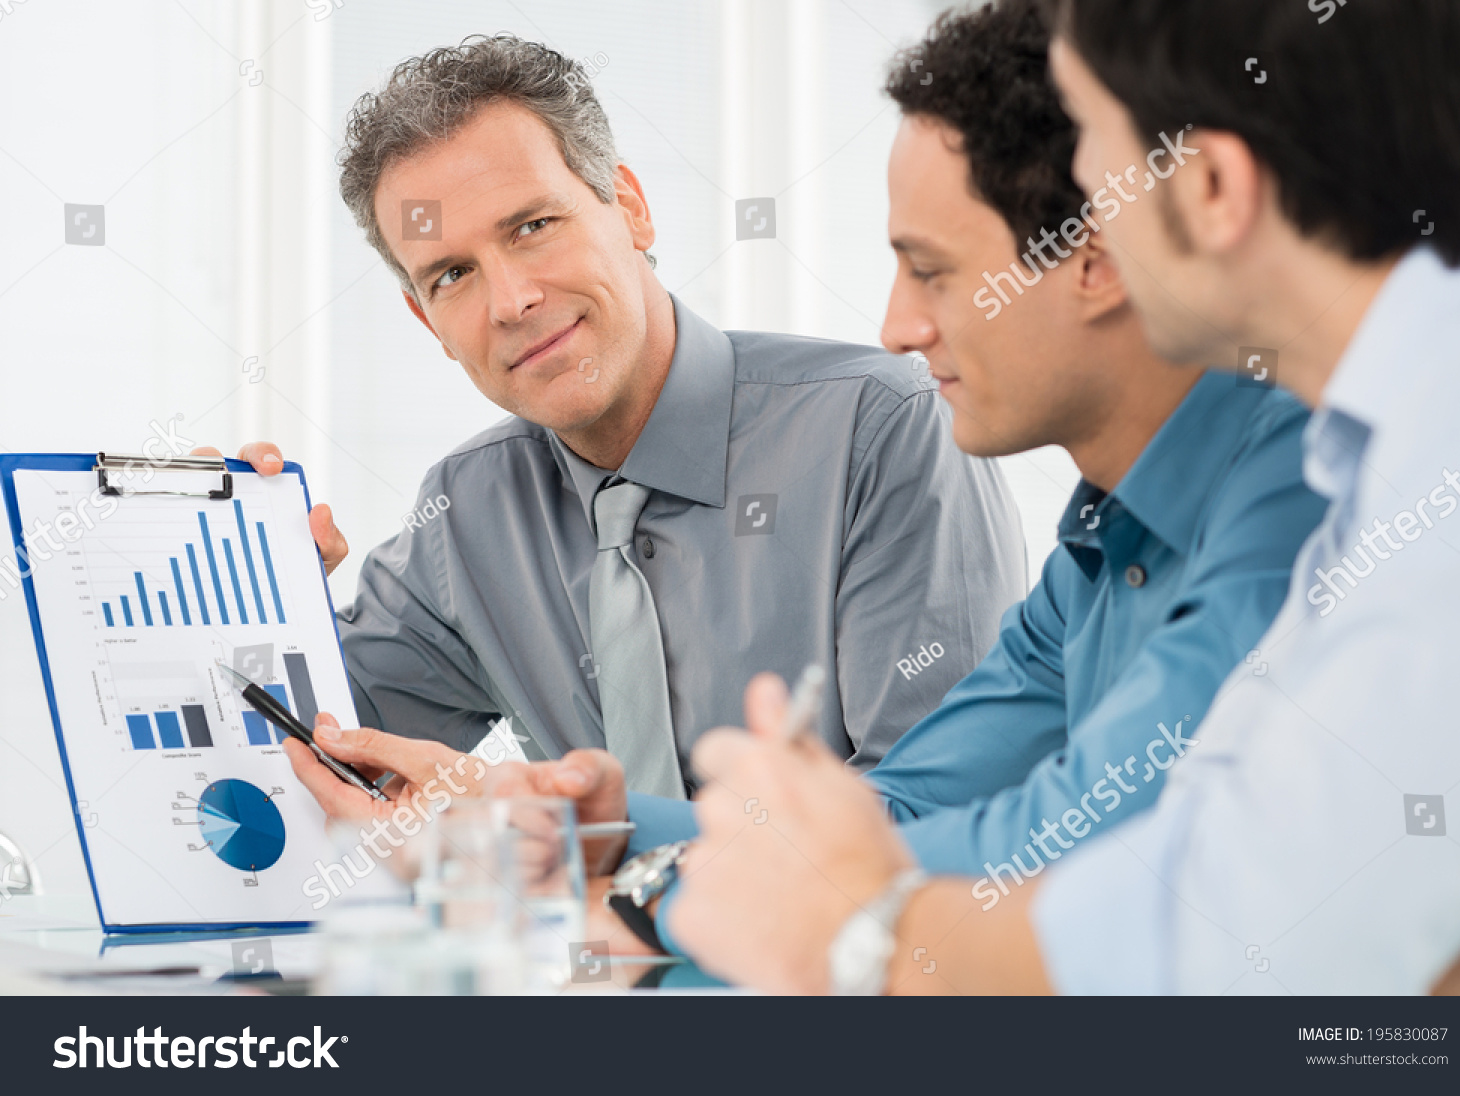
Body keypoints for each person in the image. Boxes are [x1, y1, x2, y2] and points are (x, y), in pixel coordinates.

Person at [285, 1, 1325, 978]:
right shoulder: (1094, 551)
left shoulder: (1301, 495)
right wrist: (263, 585)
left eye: (934, 270)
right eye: (451, 274)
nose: (899, 327)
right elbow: (918, 814)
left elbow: (1002, 838)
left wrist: (641, 906)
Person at [667, 0, 1460, 994]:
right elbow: (1221, 866)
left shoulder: (1441, 481)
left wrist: (863, 929)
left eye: (1099, 158)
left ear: (1211, 188)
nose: (1093, 207)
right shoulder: (1375, 452)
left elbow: (1223, 937)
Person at [208, 33, 1026, 800]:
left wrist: (557, 839)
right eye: (452, 274)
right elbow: (298, 759)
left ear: (629, 206)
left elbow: (943, 820)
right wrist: (251, 603)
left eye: (533, 226)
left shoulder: (882, 430)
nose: (511, 301)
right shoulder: (465, 516)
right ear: (427, 321)